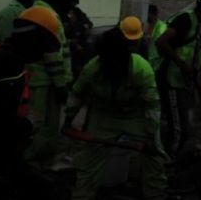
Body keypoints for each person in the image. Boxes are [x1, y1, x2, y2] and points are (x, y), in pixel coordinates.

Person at [64, 27, 166, 200]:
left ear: (126, 54)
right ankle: (83, 195)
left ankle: (155, 195)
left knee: (154, 157)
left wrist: (150, 135)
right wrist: (68, 120)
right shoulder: (93, 69)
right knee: (90, 160)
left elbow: (152, 105)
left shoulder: (141, 69)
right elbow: (77, 94)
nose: (114, 64)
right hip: (105, 115)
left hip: (136, 116)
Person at [0, 7, 65, 199]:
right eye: (42, 48)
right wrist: (26, 126)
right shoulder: (7, 65)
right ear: (34, 40)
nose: (40, 56)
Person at [149, 0, 201, 157]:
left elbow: (192, 67)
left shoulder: (198, 27)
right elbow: (161, 42)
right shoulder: (185, 20)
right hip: (169, 81)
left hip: (180, 83)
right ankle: (168, 164)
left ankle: (168, 161)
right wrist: (181, 64)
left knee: (182, 127)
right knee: (179, 129)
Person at [24, 0, 77, 166]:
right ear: (58, 1)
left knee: (37, 123)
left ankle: (38, 159)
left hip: (36, 79)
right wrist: (61, 85)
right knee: (42, 124)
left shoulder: (34, 11)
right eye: (69, 5)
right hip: (45, 82)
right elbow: (52, 55)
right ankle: (35, 161)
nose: (70, 10)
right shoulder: (47, 16)